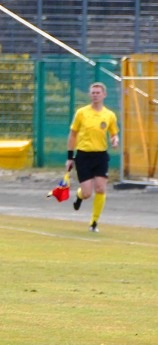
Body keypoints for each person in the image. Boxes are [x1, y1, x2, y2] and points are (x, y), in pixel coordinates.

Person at [66, 82, 120, 232]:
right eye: (93, 93)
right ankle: (79, 195)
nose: (95, 95)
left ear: (104, 95)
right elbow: (73, 135)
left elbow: (114, 133)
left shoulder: (109, 115)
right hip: (83, 155)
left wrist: (115, 140)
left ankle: (94, 222)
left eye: (98, 93)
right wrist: (70, 157)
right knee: (87, 193)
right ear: (90, 95)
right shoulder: (81, 113)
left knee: (101, 188)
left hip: (100, 156)